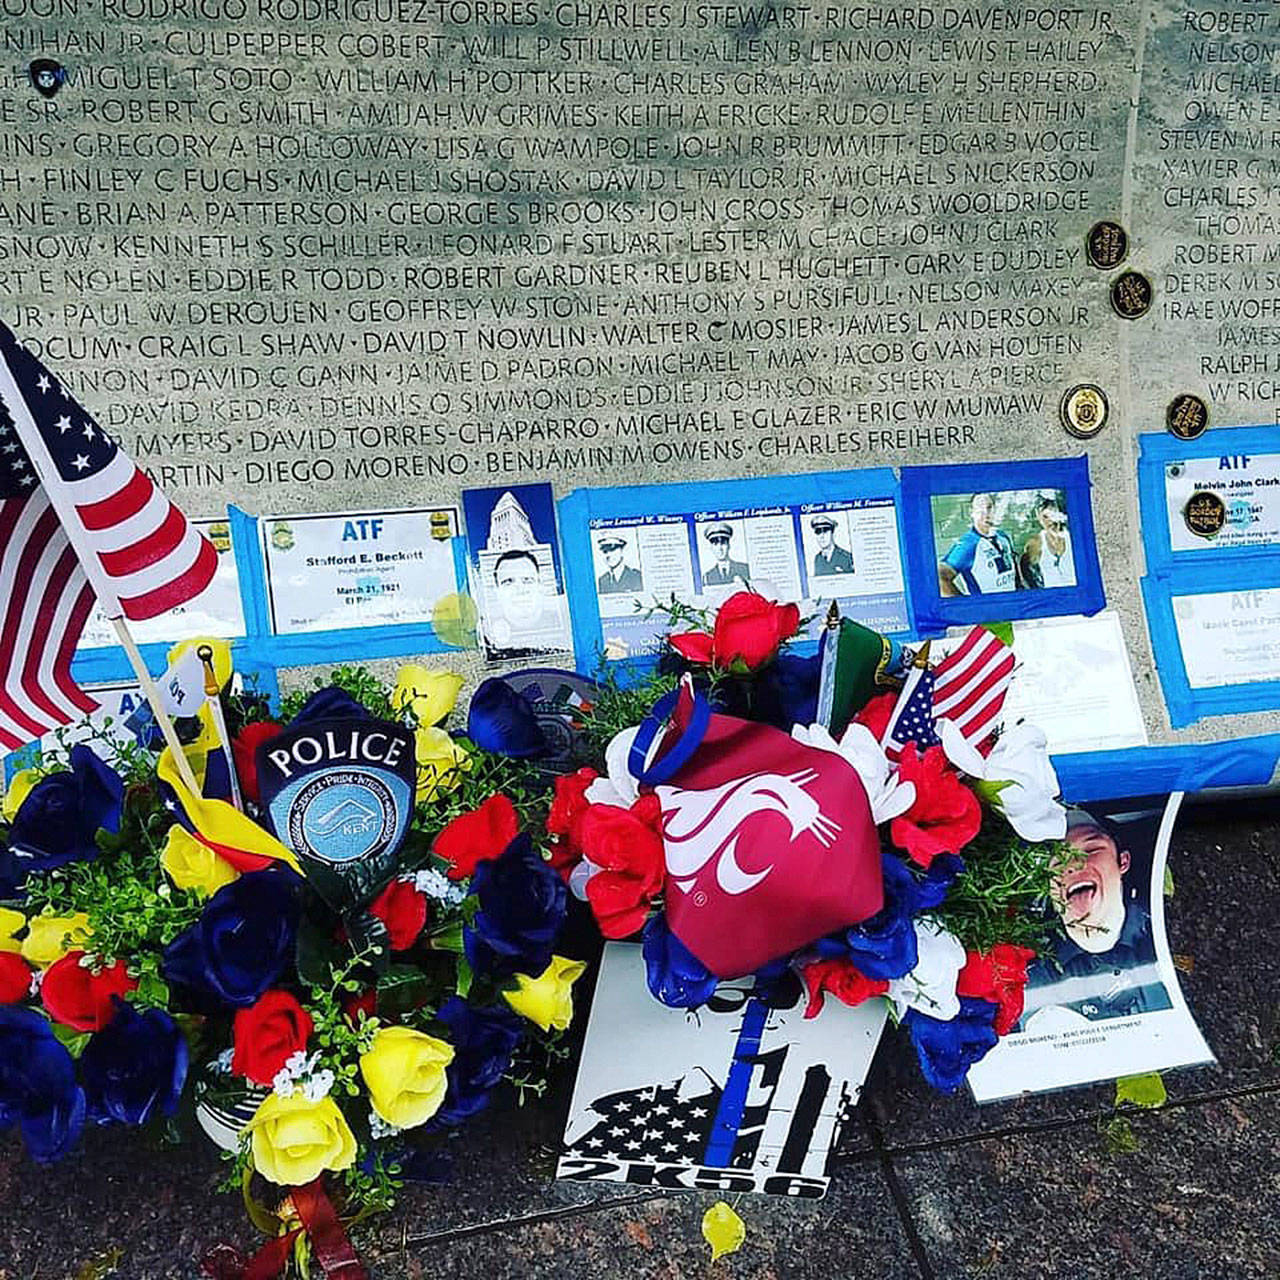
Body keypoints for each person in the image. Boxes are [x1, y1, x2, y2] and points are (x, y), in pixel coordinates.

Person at [1019, 809, 1172, 1025]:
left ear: (1123, 862)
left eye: (1091, 849)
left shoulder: (1171, 931)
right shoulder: (1024, 972)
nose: (1072, 865)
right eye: (1057, 861)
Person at [938, 493, 1020, 596]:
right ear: (971, 513)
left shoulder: (1002, 537)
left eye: (989, 507)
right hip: (988, 610)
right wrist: (965, 608)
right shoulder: (968, 544)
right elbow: (940, 577)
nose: (986, 513)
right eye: (980, 509)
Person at [1020, 493, 1075, 589]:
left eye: (1053, 515)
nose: (1050, 521)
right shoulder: (1036, 543)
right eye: (1045, 517)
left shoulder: (1071, 537)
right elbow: (1024, 570)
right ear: (1039, 518)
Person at [701, 523, 750, 588]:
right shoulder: (707, 577)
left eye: (723, 543)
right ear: (711, 548)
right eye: (715, 544)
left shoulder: (744, 569)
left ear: (729, 545)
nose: (720, 548)